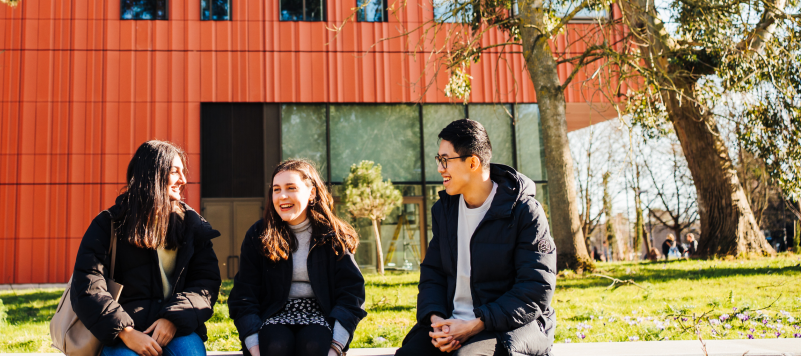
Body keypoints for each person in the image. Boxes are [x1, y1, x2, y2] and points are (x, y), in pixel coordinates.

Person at [395, 119, 556, 356]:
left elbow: (535, 288)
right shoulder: (444, 211)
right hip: (451, 322)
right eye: (438, 160)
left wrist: (474, 325)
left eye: (445, 160)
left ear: (473, 162)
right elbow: (433, 274)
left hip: (508, 326)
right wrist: (437, 321)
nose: (440, 168)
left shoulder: (525, 212)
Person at [71, 140, 222, 356]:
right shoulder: (108, 224)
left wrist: (173, 320)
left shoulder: (192, 226)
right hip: (122, 333)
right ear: (152, 174)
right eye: (175, 172)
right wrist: (125, 332)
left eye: (183, 172)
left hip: (177, 328)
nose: (183, 180)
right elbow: (87, 287)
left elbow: (205, 283)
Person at [229, 160, 367, 356]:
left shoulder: (333, 235)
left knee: (313, 346)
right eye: (276, 189)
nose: (282, 196)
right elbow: (244, 294)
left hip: (321, 317)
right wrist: (253, 345)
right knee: (276, 346)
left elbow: (351, 293)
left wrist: (336, 346)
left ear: (312, 193)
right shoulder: (258, 234)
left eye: (291, 188)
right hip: (272, 316)